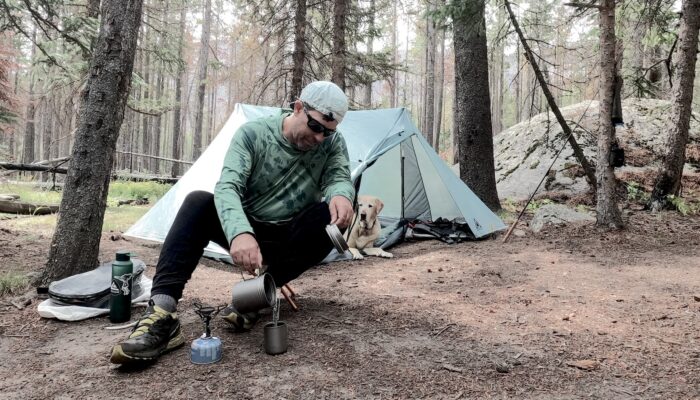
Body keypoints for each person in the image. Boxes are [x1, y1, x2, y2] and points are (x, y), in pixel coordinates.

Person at [110, 81, 355, 364]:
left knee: (332, 216)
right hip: (247, 228)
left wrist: (342, 195)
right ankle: (162, 314)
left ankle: (257, 296)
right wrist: (239, 231)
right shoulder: (253, 134)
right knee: (198, 202)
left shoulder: (333, 144)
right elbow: (228, 186)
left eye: (328, 131)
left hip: (290, 238)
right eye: (316, 127)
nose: (321, 138)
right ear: (299, 107)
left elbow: (338, 176)